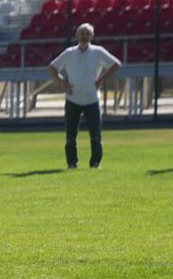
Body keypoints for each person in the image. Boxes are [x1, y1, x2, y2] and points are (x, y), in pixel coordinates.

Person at [46, 23, 121, 170]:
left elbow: (116, 65)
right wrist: (63, 83)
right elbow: (52, 68)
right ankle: (72, 163)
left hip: (92, 99)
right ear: (76, 35)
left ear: (92, 36)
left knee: (95, 135)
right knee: (70, 136)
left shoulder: (98, 52)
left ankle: (95, 163)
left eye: (87, 33)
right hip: (72, 99)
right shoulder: (69, 53)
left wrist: (101, 79)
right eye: (82, 33)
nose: (84, 35)